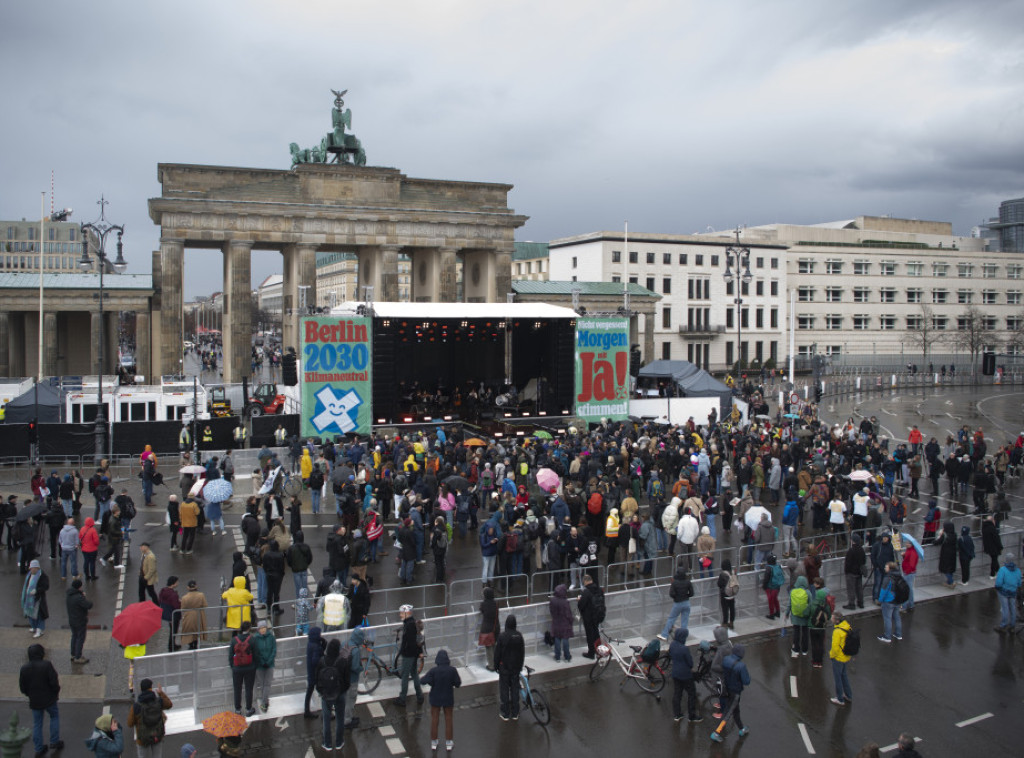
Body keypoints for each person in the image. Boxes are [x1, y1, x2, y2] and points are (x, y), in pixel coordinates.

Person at [19, 644, 63, 756]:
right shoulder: (47, 665)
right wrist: (55, 692)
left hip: (35, 700)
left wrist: (30, 694)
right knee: (54, 717)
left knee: (37, 724)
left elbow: (22, 687)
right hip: (49, 699)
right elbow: (54, 682)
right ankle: (54, 741)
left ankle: (39, 748)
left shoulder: (24, 668)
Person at [421, 649, 461, 752]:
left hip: (435, 698)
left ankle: (434, 742)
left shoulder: (433, 671)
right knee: (449, 720)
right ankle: (448, 742)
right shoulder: (452, 670)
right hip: (448, 697)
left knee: (434, 719)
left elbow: (423, 681)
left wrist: (432, 683)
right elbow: (458, 683)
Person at [710, 643, 750, 743]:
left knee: (735, 710)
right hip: (735, 692)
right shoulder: (741, 666)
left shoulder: (726, 659)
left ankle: (742, 728)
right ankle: (716, 733)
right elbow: (746, 681)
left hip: (727, 688)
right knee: (728, 713)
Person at [315, 638, 349, 752]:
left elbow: (317, 679)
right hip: (340, 694)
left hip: (326, 694)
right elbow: (347, 680)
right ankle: (339, 742)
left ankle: (327, 743)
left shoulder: (322, 661)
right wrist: (342, 691)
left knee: (326, 719)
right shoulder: (343, 661)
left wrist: (321, 691)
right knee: (340, 719)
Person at [126, 677, 173, 757]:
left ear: (141, 689)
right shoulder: (159, 701)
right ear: (151, 688)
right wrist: (161, 693)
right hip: (157, 735)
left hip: (143, 739)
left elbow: (130, 723)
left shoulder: (136, 706)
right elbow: (169, 704)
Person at [494, 615, 525, 721]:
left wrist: (496, 666)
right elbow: (522, 653)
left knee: (504, 690)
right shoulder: (519, 636)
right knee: (515, 690)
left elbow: (497, 653)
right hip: (516, 667)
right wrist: (520, 666)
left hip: (504, 668)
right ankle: (515, 712)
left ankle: (505, 713)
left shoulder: (502, 636)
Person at [393, 604, 424, 707]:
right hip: (413, 654)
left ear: (407, 613)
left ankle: (402, 699)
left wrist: (403, 650)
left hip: (408, 654)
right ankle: (420, 696)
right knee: (414, 674)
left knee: (405, 676)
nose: (400, 614)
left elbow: (410, 642)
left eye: (402, 613)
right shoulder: (411, 623)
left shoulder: (409, 625)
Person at [669, 627, 701, 723]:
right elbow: (690, 663)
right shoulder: (684, 649)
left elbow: (670, 654)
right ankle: (692, 716)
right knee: (691, 694)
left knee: (677, 693)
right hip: (686, 675)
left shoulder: (672, 644)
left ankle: (677, 714)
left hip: (675, 673)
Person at [229, 621, 257, 716]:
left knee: (237, 689)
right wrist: (254, 666)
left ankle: (237, 709)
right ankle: (249, 709)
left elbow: (230, 656)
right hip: (250, 668)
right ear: (249, 628)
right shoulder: (252, 639)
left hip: (237, 668)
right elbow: (256, 655)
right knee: (249, 688)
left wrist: (233, 666)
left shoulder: (234, 640)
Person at [658, 567, 694, 640]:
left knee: (671, 619)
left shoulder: (675, 583)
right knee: (685, 621)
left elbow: (671, 594)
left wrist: (676, 597)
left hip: (678, 603)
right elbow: (692, 593)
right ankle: (683, 637)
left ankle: (664, 635)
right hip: (686, 602)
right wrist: (686, 596)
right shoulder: (688, 582)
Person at [829, 610, 854, 705]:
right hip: (846, 656)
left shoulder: (837, 632)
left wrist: (831, 656)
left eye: (832, 618)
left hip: (838, 658)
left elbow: (835, 648)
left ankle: (839, 698)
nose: (831, 619)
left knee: (838, 678)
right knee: (844, 676)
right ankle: (848, 695)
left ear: (836, 621)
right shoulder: (847, 626)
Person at [578, 574, 605, 658]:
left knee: (590, 635)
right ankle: (600, 651)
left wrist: (579, 600)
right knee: (596, 633)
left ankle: (591, 653)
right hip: (598, 615)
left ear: (585, 582)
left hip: (589, 617)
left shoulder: (586, 592)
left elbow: (581, 605)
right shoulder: (600, 589)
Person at [66, 578, 92, 664]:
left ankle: (73, 654)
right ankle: (78, 656)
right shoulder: (79, 597)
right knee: (80, 638)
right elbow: (88, 605)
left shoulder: (69, 595)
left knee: (74, 636)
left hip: (72, 620)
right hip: (80, 620)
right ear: (79, 587)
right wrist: (83, 596)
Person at [21, 559, 50, 638]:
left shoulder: (42, 576)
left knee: (39, 614)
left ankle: (39, 630)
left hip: (38, 599)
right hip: (29, 600)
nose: (31, 570)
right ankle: (34, 627)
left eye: (33, 568)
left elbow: (46, 586)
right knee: (30, 614)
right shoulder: (29, 575)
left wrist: (36, 591)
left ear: (37, 568)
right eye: (31, 568)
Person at [253, 620, 277, 713]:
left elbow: (274, 650)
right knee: (263, 684)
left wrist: (269, 661)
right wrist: (263, 661)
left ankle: (264, 702)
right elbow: (256, 652)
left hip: (269, 664)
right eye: (261, 628)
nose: (262, 630)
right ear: (258, 629)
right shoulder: (255, 638)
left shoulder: (271, 637)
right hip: (260, 665)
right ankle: (265, 701)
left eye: (264, 628)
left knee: (267, 684)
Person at [994, 553, 1022, 632]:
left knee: (1005, 608)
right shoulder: (1017, 570)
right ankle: (1012, 625)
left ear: (1006, 560)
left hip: (1004, 592)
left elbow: (999, 582)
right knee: (1013, 608)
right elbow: (1019, 582)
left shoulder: (1003, 569)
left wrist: (998, 587)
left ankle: (1003, 625)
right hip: (1013, 591)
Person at [808, 579, 832, 667]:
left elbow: (807, 613)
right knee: (821, 644)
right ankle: (820, 661)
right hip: (822, 627)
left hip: (813, 627)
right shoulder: (826, 605)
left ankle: (815, 661)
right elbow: (829, 616)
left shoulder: (812, 604)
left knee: (814, 644)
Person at [178, 580, 208, 651]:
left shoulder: (185, 597)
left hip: (188, 615)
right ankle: (196, 643)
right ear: (196, 586)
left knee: (189, 630)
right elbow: (205, 605)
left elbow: (183, 608)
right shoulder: (201, 595)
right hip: (199, 615)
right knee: (198, 629)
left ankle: (191, 644)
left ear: (188, 587)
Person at [877, 562, 903, 643]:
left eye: (886, 567)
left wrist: (880, 600)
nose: (885, 568)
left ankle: (887, 636)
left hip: (888, 601)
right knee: (897, 617)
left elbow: (883, 591)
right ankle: (898, 634)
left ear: (890, 569)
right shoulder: (900, 576)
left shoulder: (888, 578)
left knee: (887, 618)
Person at [548, 584, 573, 663]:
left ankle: (557, 656)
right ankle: (567, 657)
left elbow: (551, 611)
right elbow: (568, 614)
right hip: (564, 623)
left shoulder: (552, 600)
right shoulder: (565, 602)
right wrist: (571, 621)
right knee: (565, 640)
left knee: (557, 640)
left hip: (556, 622)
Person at [789, 576, 811, 657]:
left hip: (795, 616)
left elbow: (789, 604)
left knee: (796, 632)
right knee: (805, 633)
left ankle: (796, 649)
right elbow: (811, 604)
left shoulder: (792, 591)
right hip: (805, 616)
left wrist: (787, 613)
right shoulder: (808, 592)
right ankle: (805, 650)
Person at [478, 587, 500, 671]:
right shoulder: (496, 603)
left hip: (487, 628)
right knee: (495, 645)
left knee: (488, 647)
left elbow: (482, 611)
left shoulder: (484, 604)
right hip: (496, 627)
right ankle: (496, 663)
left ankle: (491, 666)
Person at [842, 534, 866, 610]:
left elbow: (848, 563)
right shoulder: (862, 550)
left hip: (851, 573)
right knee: (859, 588)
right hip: (859, 572)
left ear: (853, 541)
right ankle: (860, 602)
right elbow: (864, 561)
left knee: (851, 589)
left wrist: (846, 571)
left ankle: (851, 604)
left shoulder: (851, 550)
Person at [159, 577, 182, 653]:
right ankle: (172, 646)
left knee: (171, 631)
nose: (178, 583)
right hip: (174, 615)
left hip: (167, 614)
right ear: (173, 583)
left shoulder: (163, 591)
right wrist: (180, 602)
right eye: (177, 582)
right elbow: (176, 606)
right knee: (174, 631)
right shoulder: (173, 595)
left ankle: (171, 645)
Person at [762, 553, 785, 620]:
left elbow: (766, 579)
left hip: (770, 587)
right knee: (775, 599)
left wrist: (764, 586)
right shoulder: (778, 566)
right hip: (777, 586)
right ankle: (777, 612)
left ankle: (771, 614)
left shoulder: (768, 568)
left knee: (770, 600)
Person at [936, 521, 958, 587]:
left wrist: (940, 535)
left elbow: (937, 542)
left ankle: (951, 582)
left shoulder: (945, 536)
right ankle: (948, 582)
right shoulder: (954, 535)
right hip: (952, 554)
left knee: (946, 569)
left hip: (946, 554)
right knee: (950, 568)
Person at [717, 559, 737, 629]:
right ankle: (731, 622)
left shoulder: (722, 574)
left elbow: (719, 584)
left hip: (724, 594)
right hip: (732, 593)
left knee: (725, 609)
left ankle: (724, 623)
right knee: (732, 608)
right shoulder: (733, 572)